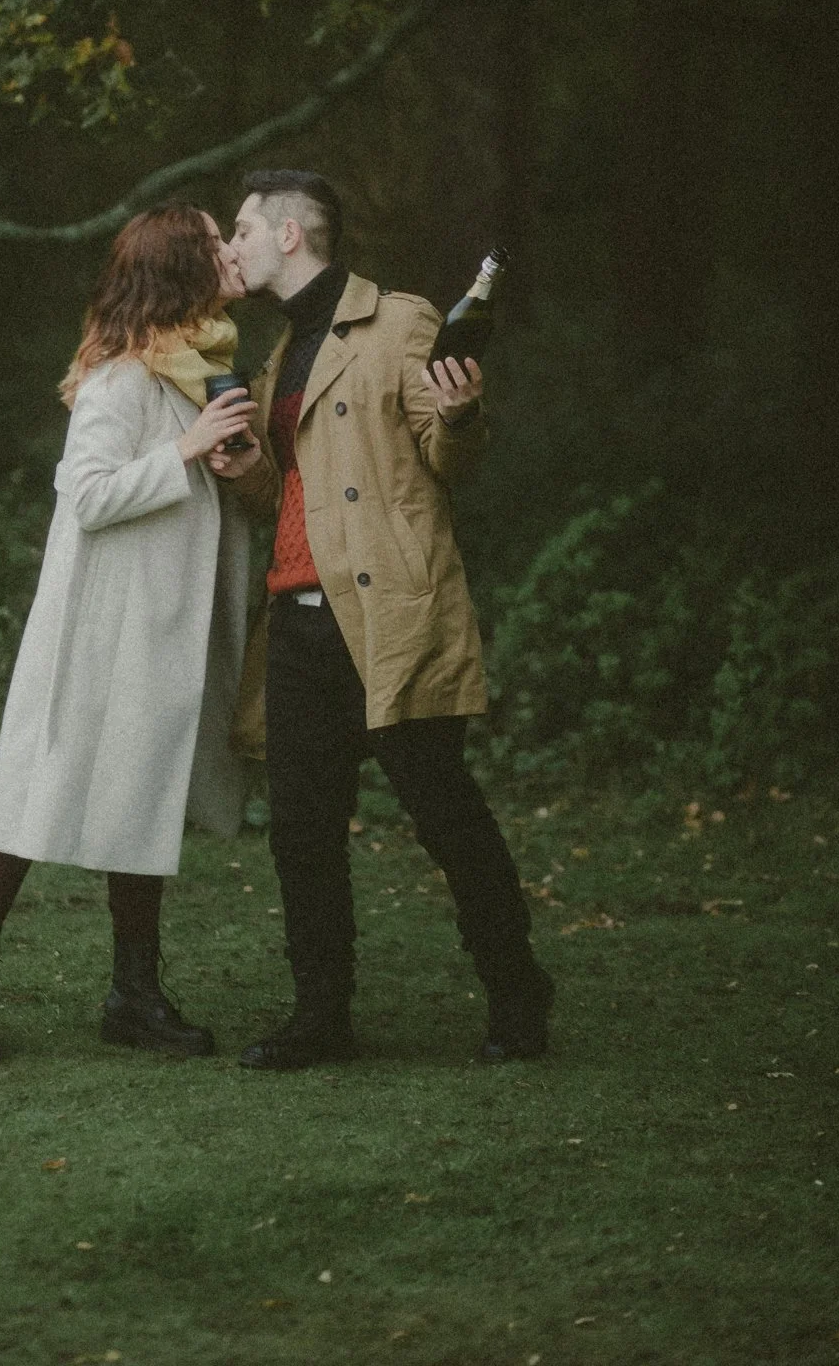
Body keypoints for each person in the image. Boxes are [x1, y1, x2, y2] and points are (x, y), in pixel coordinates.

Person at [216, 169, 554, 1070]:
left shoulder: (398, 322)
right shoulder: (280, 352)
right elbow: (291, 498)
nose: (232, 245)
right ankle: (320, 1016)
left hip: (385, 612)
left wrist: (461, 416)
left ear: (290, 234)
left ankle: (517, 993)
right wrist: (247, 470)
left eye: (242, 229)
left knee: (445, 814)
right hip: (296, 622)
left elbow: (447, 458)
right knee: (302, 832)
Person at [0, 203, 259, 1062]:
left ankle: (133, 996)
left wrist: (222, 460)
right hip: (100, 633)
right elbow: (90, 493)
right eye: (213, 242)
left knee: (142, 794)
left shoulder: (195, 369)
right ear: (181, 267)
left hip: (159, 627)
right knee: (36, 793)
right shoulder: (122, 377)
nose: (230, 250)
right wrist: (186, 450)